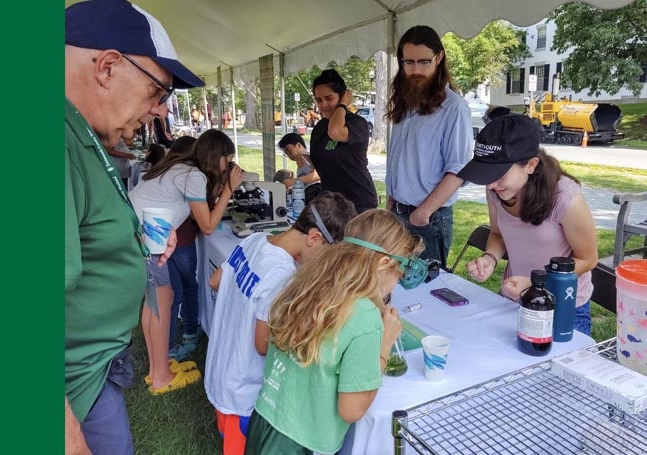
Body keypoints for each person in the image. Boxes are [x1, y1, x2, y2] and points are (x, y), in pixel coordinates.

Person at [65, 0, 203, 453]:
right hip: (77, 386)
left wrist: (132, 244)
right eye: (158, 92)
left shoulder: (82, 131)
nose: (160, 112)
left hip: (93, 371)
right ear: (107, 66)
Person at [244, 209, 425, 455]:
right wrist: (384, 347)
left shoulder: (310, 281)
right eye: (399, 274)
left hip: (265, 421)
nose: (397, 283)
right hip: (303, 443)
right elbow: (352, 410)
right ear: (383, 263)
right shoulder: (364, 315)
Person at [204, 192, 357, 455]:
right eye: (329, 257)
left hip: (222, 371)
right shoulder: (283, 275)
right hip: (245, 392)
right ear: (314, 238)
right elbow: (263, 345)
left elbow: (216, 280)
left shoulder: (256, 239)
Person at [129, 129, 246, 395]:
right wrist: (229, 188)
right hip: (148, 233)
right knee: (163, 300)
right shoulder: (192, 176)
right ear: (216, 156)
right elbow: (207, 225)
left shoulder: (181, 168)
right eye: (227, 161)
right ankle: (161, 377)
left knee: (156, 301)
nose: (229, 167)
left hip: (142, 230)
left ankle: (157, 368)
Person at [458, 113, 598, 335]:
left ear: (531, 165)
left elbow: (587, 259)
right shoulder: (496, 189)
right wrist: (490, 258)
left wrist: (537, 284)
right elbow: (497, 233)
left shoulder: (565, 198)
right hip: (515, 298)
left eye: (499, 174)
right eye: (487, 174)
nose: (492, 183)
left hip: (562, 304)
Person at [384, 25, 473, 266]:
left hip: (429, 218)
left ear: (439, 58)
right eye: (408, 62)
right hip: (398, 213)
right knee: (395, 284)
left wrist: (422, 213)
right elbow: (400, 159)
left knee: (427, 293)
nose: (415, 70)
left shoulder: (454, 108)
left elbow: (459, 169)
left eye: (424, 62)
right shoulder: (405, 104)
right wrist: (391, 201)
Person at [309, 69, 378, 213]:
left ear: (341, 97)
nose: (323, 105)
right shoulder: (319, 128)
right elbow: (324, 162)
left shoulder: (357, 123)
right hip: (331, 203)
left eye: (329, 98)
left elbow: (335, 132)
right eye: (319, 100)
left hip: (358, 202)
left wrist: (343, 106)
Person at [161, 136, 202, 362]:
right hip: (182, 237)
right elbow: (202, 217)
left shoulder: (163, 170)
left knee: (171, 292)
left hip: (159, 237)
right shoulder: (190, 175)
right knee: (187, 287)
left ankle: (170, 346)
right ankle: (190, 335)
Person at [277, 132, 322, 203]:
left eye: (289, 150)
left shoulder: (304, 157)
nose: (289, 154)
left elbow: (317, 175)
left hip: (314, 192)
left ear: (298, 145)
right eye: (286, 153)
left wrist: (293, 181)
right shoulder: (303, 158)